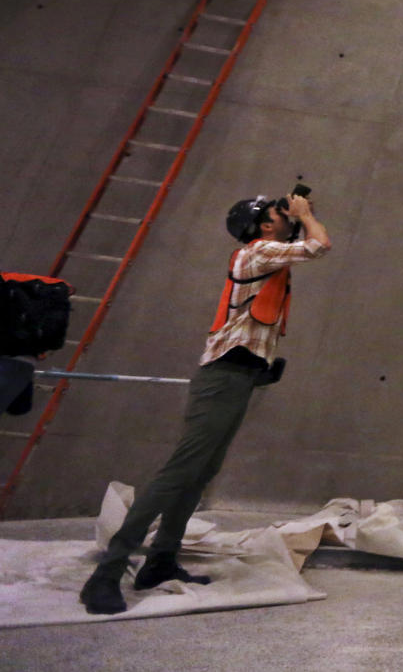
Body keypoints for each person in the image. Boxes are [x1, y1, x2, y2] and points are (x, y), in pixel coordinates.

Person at [79, 191, 330, 614]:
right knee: (179, 471)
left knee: (200, 472)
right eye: (278, 214)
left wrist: (301, 212)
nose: (287, 217)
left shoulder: (269, 251)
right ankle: (106, 573)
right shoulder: (257, 252)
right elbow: (318, 245)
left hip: (239, 378)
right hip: (223, 379)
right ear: (265, 227)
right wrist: (304, 216)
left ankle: (160, 561)